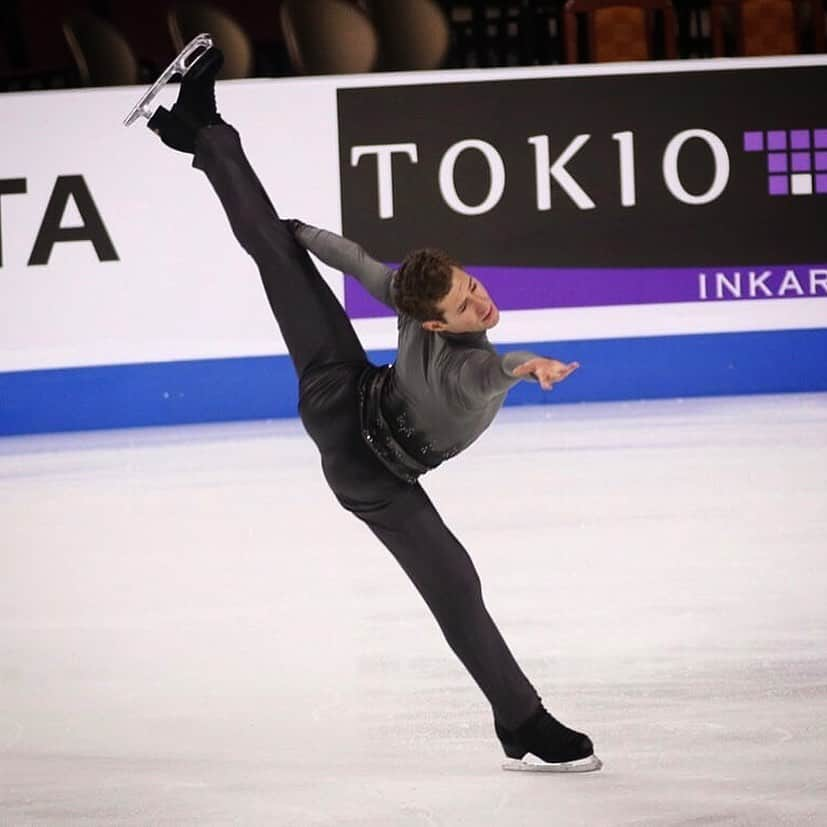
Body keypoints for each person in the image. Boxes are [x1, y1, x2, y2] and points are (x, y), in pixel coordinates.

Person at [135, 44, 601, 773]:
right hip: (366, 467)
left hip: (344, 385)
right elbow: (492, 370)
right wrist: (528, 364)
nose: (479, 298)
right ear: (434, 323)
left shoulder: (416, 299)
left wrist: (300, 237)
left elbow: (357, 261)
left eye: (472, 284)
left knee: (278, 252)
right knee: (458, 584)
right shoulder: (468, 368)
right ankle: (524, 720)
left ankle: (199, 132)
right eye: (463, 302)